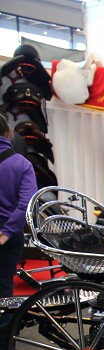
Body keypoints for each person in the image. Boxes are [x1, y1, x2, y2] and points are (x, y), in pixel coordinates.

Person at [0, 114, 36, 299]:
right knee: (4, 287)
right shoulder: (22, 164)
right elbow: (27, 204)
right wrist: (6, 232)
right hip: (9, 229)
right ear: (8, 134)